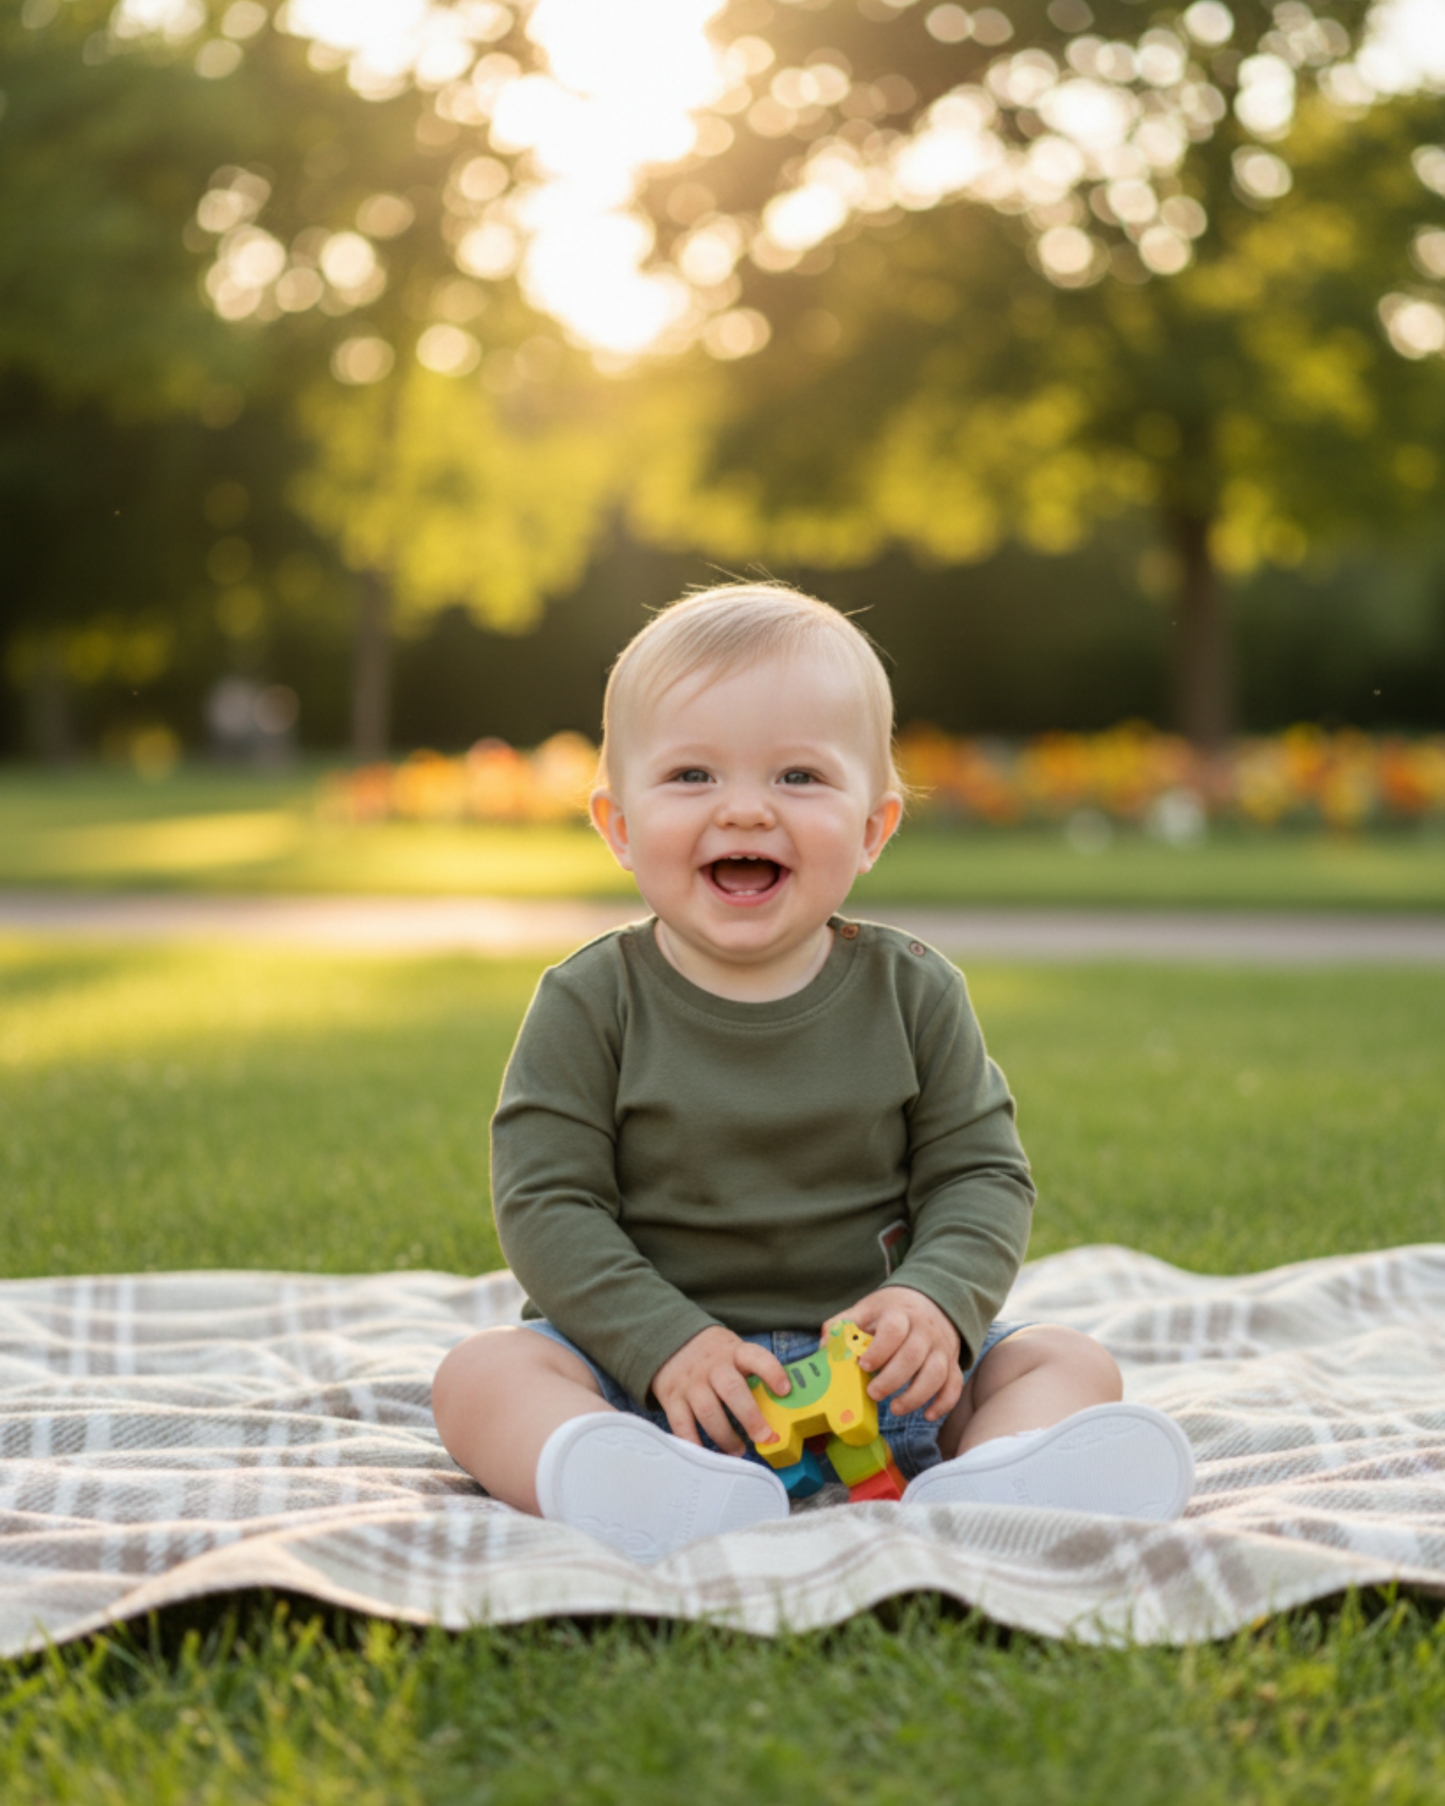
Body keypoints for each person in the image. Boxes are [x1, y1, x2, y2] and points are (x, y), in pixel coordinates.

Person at [432, 583, 1194, 1561]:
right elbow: (546, 1203)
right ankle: (620, 1479)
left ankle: (985, 1482)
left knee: (1066, 1360)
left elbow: (977, 1177)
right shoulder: (591, 1002)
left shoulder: (913, 994)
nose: (743, 808)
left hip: (883, 1385)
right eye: (692, 775)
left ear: (872, 828)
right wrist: (662, 1343)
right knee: (480, 1376)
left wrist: (934, 1305)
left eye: (797, 777)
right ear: (617, 825)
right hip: (651, 1382)